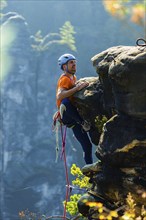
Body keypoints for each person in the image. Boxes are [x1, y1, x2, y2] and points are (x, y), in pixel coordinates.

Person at [56, 53, 93, 164]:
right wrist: (77, 88)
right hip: (68, 114)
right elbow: (60, 96)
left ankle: (90, 172)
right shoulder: (65, 79)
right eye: (71, 63)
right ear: (64, 67)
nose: (74, 64)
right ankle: (84, 123)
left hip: (74, 119)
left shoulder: (73, 77)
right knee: (65, 102)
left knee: (87, 145)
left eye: (74, 62)